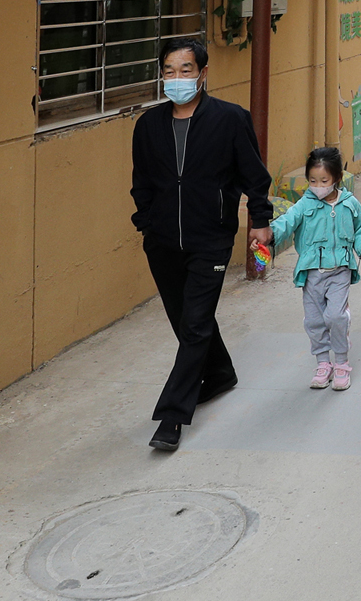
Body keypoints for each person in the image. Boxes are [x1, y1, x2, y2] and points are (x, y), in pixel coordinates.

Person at [129, 36, 274, 452]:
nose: (177, 78)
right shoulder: (148, 125)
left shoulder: (230, 119)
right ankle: (221, 373)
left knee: (194, 324)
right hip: (161, 241)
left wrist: (260, 221)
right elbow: (142, 181)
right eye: (169, 71)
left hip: (211, 238)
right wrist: (146, 222)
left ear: (203, 73)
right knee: (185, 319)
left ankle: (173, 415)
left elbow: (254, 176)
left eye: (186, 69)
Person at [270, 147, 361, 390]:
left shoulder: (350, 204)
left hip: (340, 270)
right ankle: (323, 363)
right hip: (311, 272)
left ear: (337, 178)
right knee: (314, 321)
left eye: (324, 181)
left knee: (336, 316)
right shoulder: (303, 205)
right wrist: (269, 235)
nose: (318, 186)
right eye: (313, 180)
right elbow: (286, 222)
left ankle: (342, 363)